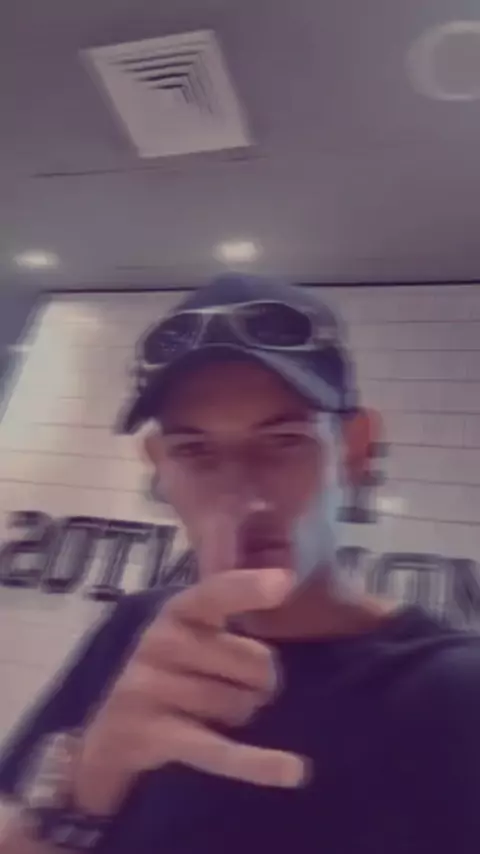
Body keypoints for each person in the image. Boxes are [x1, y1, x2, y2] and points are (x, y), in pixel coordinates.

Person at [1, 275, 480, 854]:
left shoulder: (453, 691)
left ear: (354, 451)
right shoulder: (137, 628)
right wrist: (89, 780)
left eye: (284, 440)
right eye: (195, 450)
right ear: (160, 466)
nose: (244, 498)